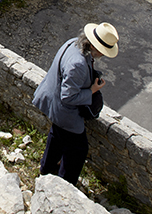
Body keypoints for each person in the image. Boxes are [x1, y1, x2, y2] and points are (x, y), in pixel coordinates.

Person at [32, 22, 119, 185]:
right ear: (97, 48)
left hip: (51, 100)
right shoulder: (78, 64)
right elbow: (68, 97)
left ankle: (46, 169)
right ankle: (65, 185)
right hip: (63, 111)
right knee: (78, 150)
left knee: (57, 136)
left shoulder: (72, 43)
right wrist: (92, 90)